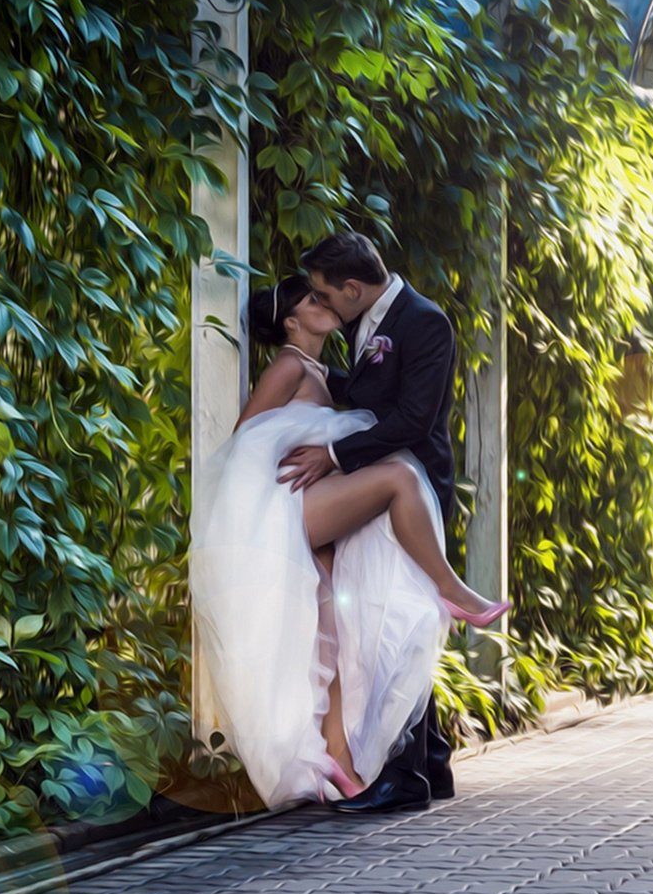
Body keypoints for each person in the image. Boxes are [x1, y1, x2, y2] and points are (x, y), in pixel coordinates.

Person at [189, 266, 507, 811]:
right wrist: (272, 490)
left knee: (332, 638)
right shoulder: (289, 365)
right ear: (292, 322)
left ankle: (338, 758)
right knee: (399, 477)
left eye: (324, 294)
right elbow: (244, 439)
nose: (325, 303)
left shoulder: (320, 371)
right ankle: (451, 589)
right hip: (284, 508)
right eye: (312, 300)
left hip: (306, 510)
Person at [277, 232, 489, 814]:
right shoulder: (363, 319)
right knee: (395, 619)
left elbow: (414, 418)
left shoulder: (425, 323)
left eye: (325, 294)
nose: (321, 303)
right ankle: (432, 761)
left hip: (411, 489)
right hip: (378, 485)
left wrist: (334, 455)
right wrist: (308, 373)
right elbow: (370, 393)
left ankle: (403, 777)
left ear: (352, 288)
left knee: (394, 622)